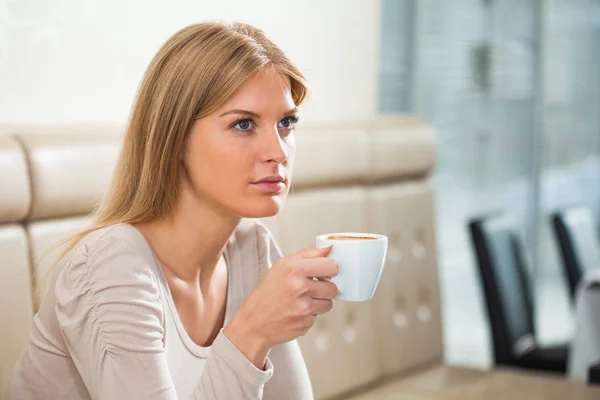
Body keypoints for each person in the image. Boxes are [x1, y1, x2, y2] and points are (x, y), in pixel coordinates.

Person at [6, 21, 339, 400]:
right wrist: (250, 333)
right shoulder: (112, 265)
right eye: (243, 124)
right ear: (174, 139)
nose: (278, 151)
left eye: (286, 123)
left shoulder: (253, 251)